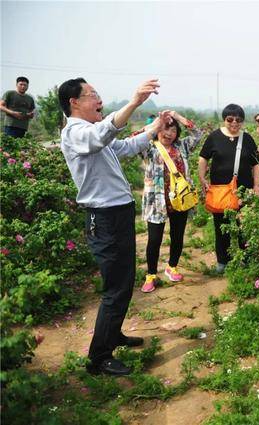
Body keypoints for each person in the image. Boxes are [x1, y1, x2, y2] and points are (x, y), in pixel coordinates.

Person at [58, 77, 169, 375]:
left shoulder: (94, 134)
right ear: (74, 102)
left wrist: (154, 129)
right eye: (92, 94)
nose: (99, 99)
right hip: (104, 218)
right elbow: (100, 136)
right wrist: (134, 103)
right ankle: (99, 357)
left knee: (125, 279)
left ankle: (113, 334)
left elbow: (122, 146)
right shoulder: (76, 133)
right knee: (115, 288)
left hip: (117, 215)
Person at [141, 112, 205, 293]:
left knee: (178, 236)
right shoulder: (148, 148)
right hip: (157, 201)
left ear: (177, 133)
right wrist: (155, 124)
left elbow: (198, 134)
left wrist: (177, 116)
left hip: (180, 199)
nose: (168, 133)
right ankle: (151, 274)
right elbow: (133, 138)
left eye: (173, 129)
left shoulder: (182, 146)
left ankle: (172, 266)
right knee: (154, 239)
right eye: (164, 128)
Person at [199, 104, 259, 274]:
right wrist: (202, 179)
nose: (234, 123)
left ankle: (246, 260)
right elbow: (203, 158)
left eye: (238, 120)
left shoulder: (247, 139)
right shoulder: (214, 137)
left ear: (242, 121)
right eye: (230, 119)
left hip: (244, 191)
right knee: (222, 227)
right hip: (220, 190)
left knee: (245, 226)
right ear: (224, 119)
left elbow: (256, 164)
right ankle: (222, 262)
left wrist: (256, 185)